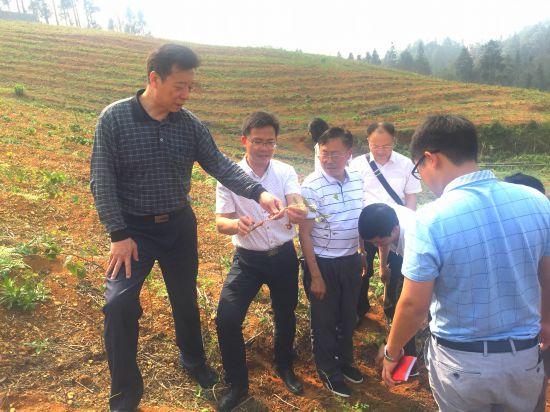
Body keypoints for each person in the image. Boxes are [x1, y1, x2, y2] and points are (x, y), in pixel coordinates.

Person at [90, 44, 283, 412]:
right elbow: (102, 180)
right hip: (133, 232)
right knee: (118, 305)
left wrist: (259, 193)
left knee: (184, 297)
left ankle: (193, 361)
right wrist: (118, 234)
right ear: (154, 78)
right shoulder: (114, 119)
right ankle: (125, 396)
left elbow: (220, 165)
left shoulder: (189, 124)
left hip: (178, 226)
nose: (185, 94)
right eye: (179, 86)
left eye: (190, 87)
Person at [381, 114, 550, 412]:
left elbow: (414, 306)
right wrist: (546, 320)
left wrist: (392, 352)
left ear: (431, 159)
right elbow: (546, 275)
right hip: (523, 358)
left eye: (418, 169)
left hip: (462, 364)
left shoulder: (430, 219)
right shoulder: (537, 203)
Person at [214, 112, 307, 411]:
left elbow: (296, 201)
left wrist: (296, 210)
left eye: (270, 142)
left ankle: (284, 365)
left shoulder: (285, 171)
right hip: (248, 260)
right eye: (258, 141)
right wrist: (236, 225)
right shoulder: (230, 176)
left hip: (283, 256)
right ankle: (237, 384)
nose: (264, 148)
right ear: (244, 140)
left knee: (285, 313)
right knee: (227, 318)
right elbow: (220, 222)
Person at [299, 127, 364, 397]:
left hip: (350, 260)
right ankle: (328, 370)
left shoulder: (358, 180)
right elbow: (304, 233)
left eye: (335, 154)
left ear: (349, 153)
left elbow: (358, 220)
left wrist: (361, 253)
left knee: (348, 317)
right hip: (323, 263)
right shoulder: (311, 186)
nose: (328, 160)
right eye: (324, 153)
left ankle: (345, 362)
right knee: (324, 321)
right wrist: (315, 275)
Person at [350, 122, 421, 322]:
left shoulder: (406, 164)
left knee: (395, 273)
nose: (381, 151)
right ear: (368, 142)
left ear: (394, 141)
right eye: (375, 146)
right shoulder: (356, 165)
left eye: (386, 146)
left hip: (393, 229)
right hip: (367, 228)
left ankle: (391, 314)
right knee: (362, 270)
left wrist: (407, 226)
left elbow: (411, 197)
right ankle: (360, 310)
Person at [358, 203, 418, 372]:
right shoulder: (383, 219)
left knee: (409, 307)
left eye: (378, 241)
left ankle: (408, 364)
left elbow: (412, 303)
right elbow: (382, 242)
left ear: (395, 230)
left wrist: (390, 346)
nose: (375, 245)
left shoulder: (414, 242)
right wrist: (383, 266)